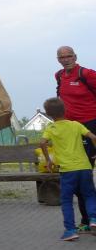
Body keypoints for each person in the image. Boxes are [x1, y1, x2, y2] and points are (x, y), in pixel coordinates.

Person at [40, 97, 96, 241]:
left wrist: (48, 160)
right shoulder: (75, 125)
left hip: (67, 171)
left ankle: (70, 230)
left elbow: (42, 142)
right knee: (89, 195)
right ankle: (94, 219)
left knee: (66, 200)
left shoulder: (51, 128)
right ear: (65, 110)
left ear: (48, 114)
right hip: (84, 167)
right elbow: (93, 137)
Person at [55, 46, 96, 232]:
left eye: (69, 56)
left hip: (90, 126)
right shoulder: (59, 76)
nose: (66, 59)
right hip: (71, 130)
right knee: (78, 173)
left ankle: (90, 218)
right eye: (62, 57)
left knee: (84, 173)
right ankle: (88, 220)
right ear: (58, 59)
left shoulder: (87, 74)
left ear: (75, 56)